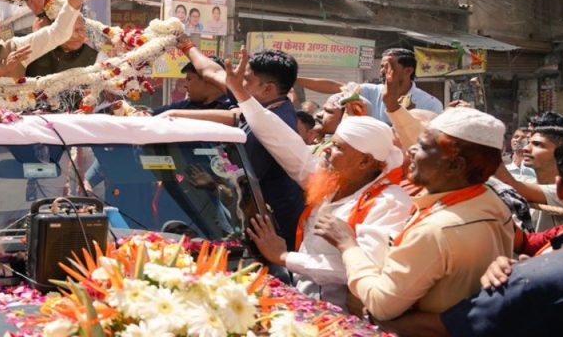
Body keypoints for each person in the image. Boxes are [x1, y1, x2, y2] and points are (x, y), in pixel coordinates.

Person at [231, 49, 411, 310]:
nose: (325, 149)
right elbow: (282, 140)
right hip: (305, 305)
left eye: (338, 147)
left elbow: (364, 267)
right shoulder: (330, 180)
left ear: (365, 162)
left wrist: (284, 257)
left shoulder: (389, 202)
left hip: (346, 319)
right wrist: (242, 94)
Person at [382, 132, 563, 337]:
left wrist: (374, 317)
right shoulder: (561, 239)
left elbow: (446, 327)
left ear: (560, 189)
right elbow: (529, 242)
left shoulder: (528, 281)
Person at [314, 107, 514, 321]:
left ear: (455, 165)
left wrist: (347, 245)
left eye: (423, 147)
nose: (410, 151)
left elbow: (380, 304)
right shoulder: (491, 202)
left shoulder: (436, 230)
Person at [164, 43, 306, 250]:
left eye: (246, 78)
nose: (239, 82)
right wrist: (184, 41)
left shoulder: (273, 126)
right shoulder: (258, 102)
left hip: (272, 237)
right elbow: (211, 71)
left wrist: (213, 180)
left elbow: (237, 178)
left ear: (268, 89)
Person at [297, 48, 443, 125]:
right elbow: (335, 87)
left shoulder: (430, 104)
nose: (382, 72)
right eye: (381, 67)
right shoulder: (369, 91)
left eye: (388, 67)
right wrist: (294, 79)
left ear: (408, 71)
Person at [494, 125, 563, 232]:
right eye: (528, 142)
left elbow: (509, 183)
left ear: (561, 153)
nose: (526, 148)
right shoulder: (526, 181)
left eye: (537, 144)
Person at [154, 57, 230, 114]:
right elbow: (153, 113)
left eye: (189, 79)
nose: (185, 85)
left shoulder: (231, 106)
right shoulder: (186, 105)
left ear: (209, 79)